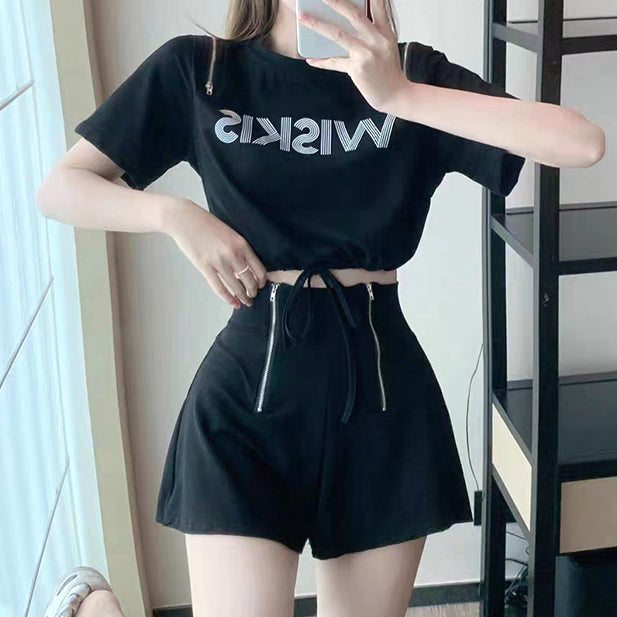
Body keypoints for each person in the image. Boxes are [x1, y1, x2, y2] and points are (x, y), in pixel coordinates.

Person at [39, 0, 605, 615]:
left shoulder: (413, 74)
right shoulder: (202, 70)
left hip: (383, 400)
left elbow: (582, 143)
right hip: (249, 400)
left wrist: (399, 96)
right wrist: (174, 215)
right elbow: (62, 188)